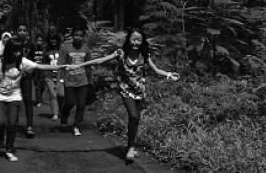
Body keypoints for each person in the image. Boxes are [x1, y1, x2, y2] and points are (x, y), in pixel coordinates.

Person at [73, 28, 180, 160]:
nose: (136, 42)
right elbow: (100, 61)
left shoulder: (144, 55)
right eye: (134, 39)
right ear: (129, 39)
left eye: (139, 40)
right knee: (133, 116)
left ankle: (131, 146)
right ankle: (130, 149)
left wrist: (169, 74)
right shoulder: (121, 54)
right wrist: (80, 65)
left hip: (140, 91)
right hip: (126, 90)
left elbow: (156, 70)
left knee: (135, 120)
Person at [0, 37, 64, 161]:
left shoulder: (22, 62)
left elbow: (40, 67)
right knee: (0, 122)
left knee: (11, 123)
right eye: (15, 51)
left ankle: (9, 149)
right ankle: (0, 137)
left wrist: (61, 67)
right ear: (8, 50)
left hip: (14, 96)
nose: (18, 54)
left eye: (19, 51)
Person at [57, 28, 93, 136]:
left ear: (83, 37)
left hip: (83, 81)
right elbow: (60, 66)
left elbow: (88, 66)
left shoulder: (86, 49)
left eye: (81, 36)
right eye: (76, 35)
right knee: (70, 102)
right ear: (73, 36)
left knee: (81, 104)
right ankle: (64, 115)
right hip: (69, 81)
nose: (78, 38)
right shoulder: (65, 48)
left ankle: (77, 125)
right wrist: (59, 81)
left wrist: (89, 80)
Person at [14, 24, 37, 138]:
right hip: (14, 76)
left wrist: (30, 72)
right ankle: (14, 123)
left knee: (28, 100)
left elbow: (32, 61)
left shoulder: (31, 45)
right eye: (20, 30)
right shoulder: (12, 44)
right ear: (16, 32)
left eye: (24, 30)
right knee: (15, 100)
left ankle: (29, 127)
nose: (22, 32)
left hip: (27, 76)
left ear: (27, 32)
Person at [42, 32, 64, 121]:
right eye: (52, 39)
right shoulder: (46, 50)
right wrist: (43, 75)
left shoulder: (62, 49)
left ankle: (61, 111)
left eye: (55, 39)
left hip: (61, 75)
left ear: (58, 40)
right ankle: (55, 113)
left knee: (61, 94)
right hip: (49, 75)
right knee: (52, 94)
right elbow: (44, 63)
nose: (53, 41)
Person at [30, 34, 46, 108]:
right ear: (36, 41)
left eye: (41, 41)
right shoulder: (33, 48)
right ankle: (39, 101)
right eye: (38, 40)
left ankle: (40, 97)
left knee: (43, 86)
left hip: (43, 69)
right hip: (35, 69)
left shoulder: (45, 49)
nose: (39, 42)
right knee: (37, 86)